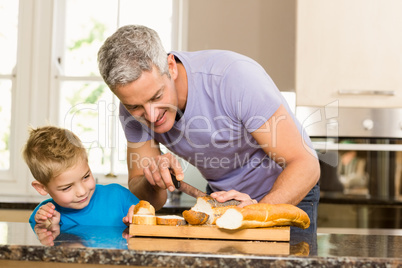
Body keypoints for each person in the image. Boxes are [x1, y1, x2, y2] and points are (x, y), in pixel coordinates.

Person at [97, 25, 320, 233]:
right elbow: (147, 197)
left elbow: (305, 164)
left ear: (171, 67)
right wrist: (152, 178)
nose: (152, 116)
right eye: (135, 106)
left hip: (287, 193)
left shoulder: (233, 78)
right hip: (221, 202)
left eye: (157, 96)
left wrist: (256, 212)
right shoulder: (130, 110)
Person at [23, 126, 140, 228]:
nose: (82, 191)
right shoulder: (44, 216)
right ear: (42, 188)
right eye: (66, 187)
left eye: (86, 177)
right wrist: (51, 228)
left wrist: (140, 219)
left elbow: (148, 219)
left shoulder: (119, 197)